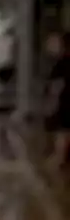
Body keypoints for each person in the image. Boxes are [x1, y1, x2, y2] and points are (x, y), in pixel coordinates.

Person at [45, 32, 70, 167]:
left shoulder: (60, 64)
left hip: (64, 102)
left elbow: (56, 88)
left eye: (52, 44)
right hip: (64, 101)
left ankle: (59, 159)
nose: (49, 47)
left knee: (62, 132)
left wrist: (51, 104)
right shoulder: (60, 63)